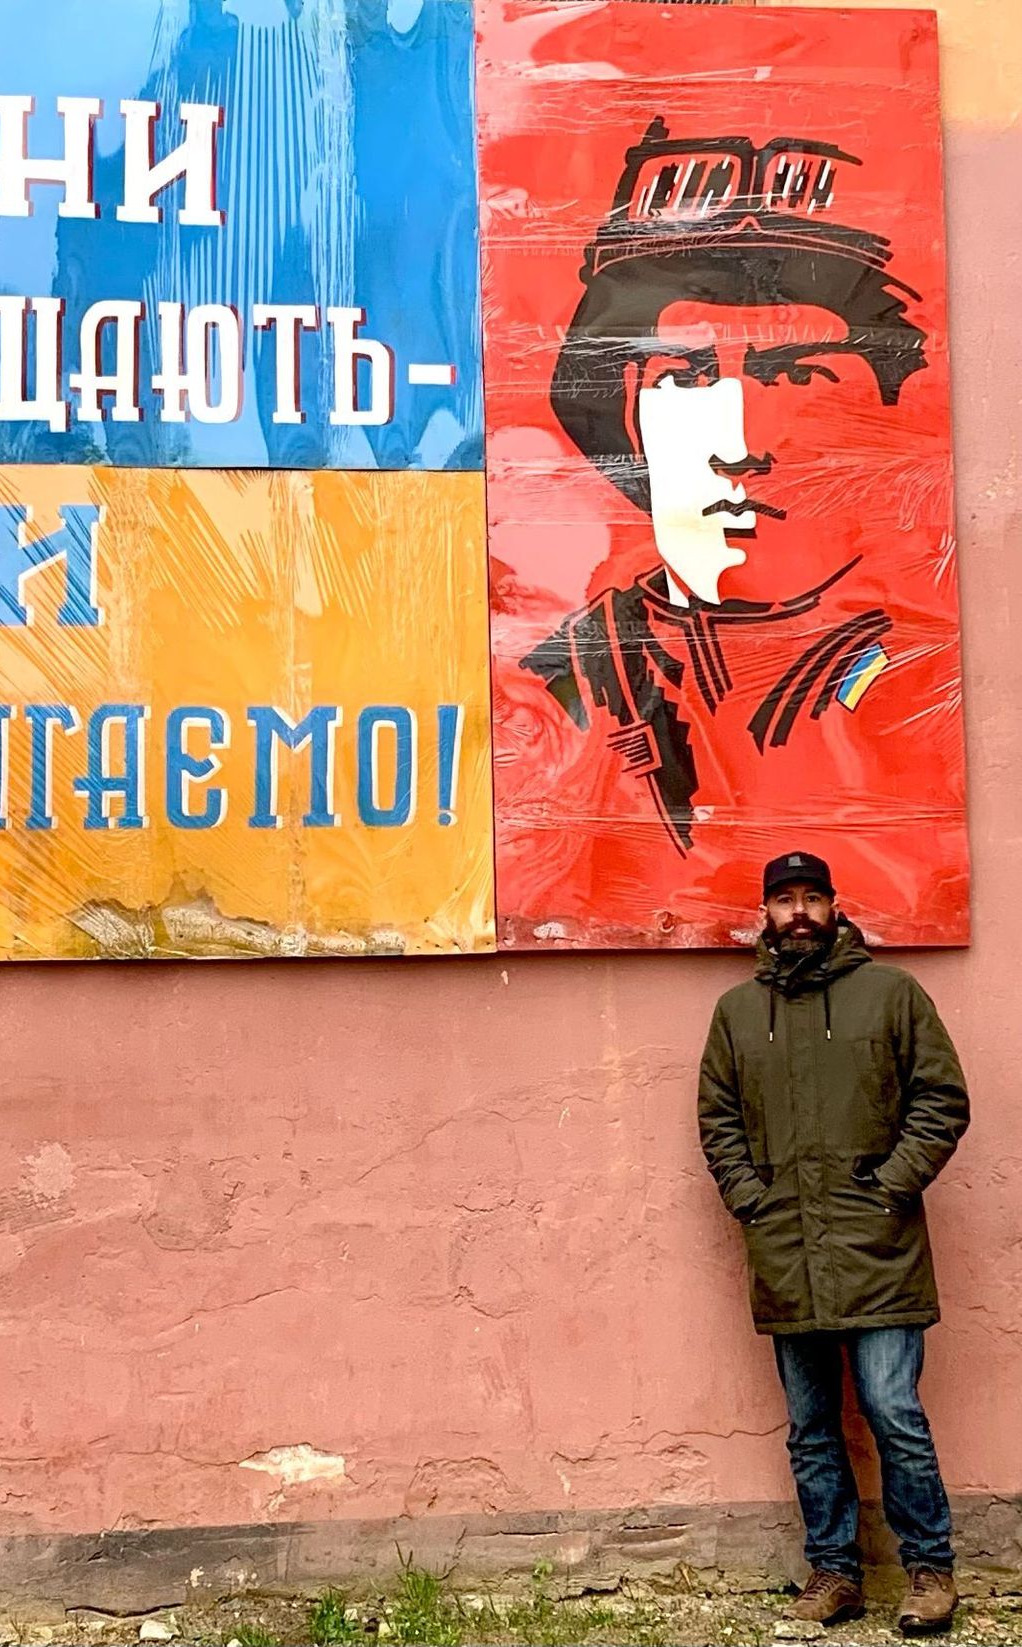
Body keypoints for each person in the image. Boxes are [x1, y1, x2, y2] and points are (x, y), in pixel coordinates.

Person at [493, 117, 967, 947]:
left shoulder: (905, 684)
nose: (739, 443)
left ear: (883, 419)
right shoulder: (564, 684)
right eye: (685, 375)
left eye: (799, 373)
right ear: (624, 420)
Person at [697, 851, 969, 1633]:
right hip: (787, 1253)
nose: (801, 911)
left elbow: (942, 1098)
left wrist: (890, 1187)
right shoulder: (738, 1014)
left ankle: (929, 1568)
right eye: (785, 899)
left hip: (879, 1248)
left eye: (813, 896)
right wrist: (753, 1200)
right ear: (766, 913)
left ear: (836, 906)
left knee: (892, 1409)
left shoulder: (892, 996)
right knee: (812, 1426)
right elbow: (717, 1120)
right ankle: (834, 1571)